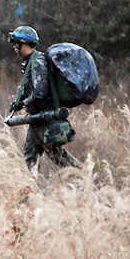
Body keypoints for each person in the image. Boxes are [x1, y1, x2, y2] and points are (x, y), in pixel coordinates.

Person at [9, 26, 82, 171]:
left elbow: (40, 92)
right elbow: (31, 88)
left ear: (23, 44)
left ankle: (84, 176)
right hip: (37, 117)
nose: (14, 47)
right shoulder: (31, 62)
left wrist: (24, 103)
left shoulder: (37, 62)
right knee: (31, 154)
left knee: (54, 153)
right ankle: (31, 189)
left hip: (45, 116)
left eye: (15, 43)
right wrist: (19, 103)